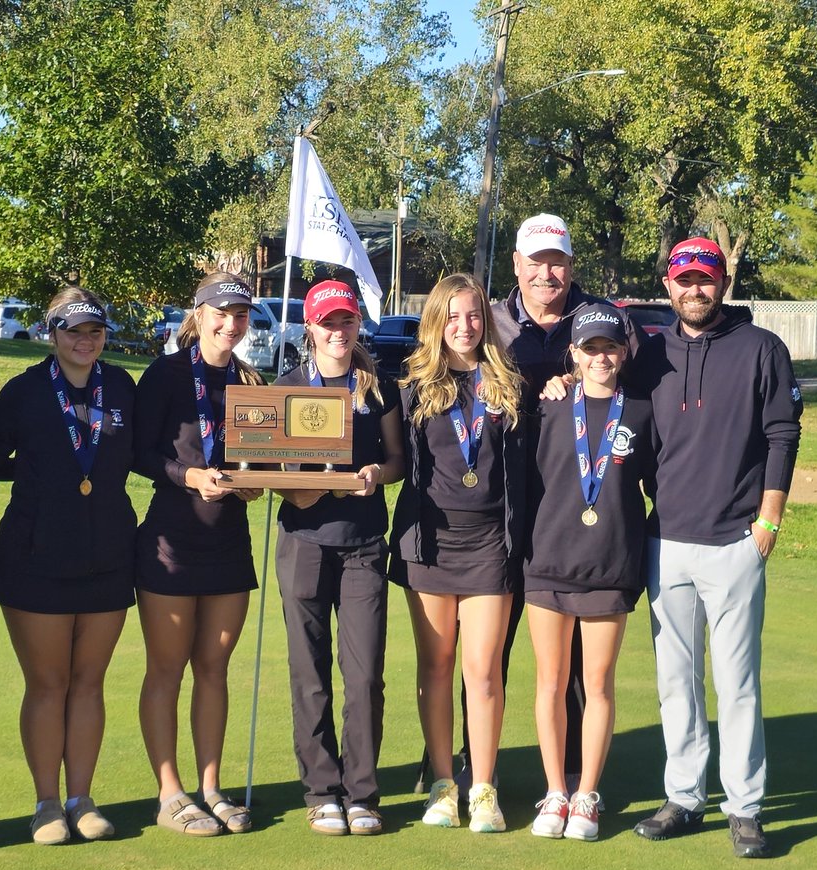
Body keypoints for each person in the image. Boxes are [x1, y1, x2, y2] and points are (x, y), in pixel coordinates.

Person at [631, 238, 802, 858]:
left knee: (737, 684)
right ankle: (683, 796)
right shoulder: (648, 354)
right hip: (666, 540)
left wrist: (769, 523)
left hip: (736, 540)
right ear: (668, 284)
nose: (694, 290)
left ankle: (746, 807)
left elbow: (783, 435)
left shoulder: (763, 349)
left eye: (705, 279)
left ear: (723, 282)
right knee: (677, 681)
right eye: (684, 280)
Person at [489, 213, 639, 796]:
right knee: (490, 649)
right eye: (536, 261)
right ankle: (472, 765)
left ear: (570, 265)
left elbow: (634, 401)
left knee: (578, 664)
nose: (547, 272)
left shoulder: (601, 321)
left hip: (575, 512)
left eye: (557, 261)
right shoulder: (494, 324)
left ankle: (577, 777)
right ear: (518, 266)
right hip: (501, 508)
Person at [0, 287, 137, 845]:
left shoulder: (121, 385)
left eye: (95, 331)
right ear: (52, 335)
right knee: (48, 684)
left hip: (108, 551)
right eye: (73, 331)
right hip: (35, 555)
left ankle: (82, 798)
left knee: (89, 683)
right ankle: (46, 804)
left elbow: (148, 451)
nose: (85, 341)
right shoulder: (25, 391)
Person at [389, 272, 524, 833]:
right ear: (436, 323)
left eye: (473, 316)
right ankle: (444, 785)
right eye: (453, 316)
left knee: (484, 670)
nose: (464, 326)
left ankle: (484, 787)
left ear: (485, 321)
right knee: (436, 666)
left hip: (491, 545)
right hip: (430, 546)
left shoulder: (508, 383)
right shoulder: (414, 388)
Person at [132, 272, 266, 837]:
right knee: (167, 669)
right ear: (199, 312)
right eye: (222, 312)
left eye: (240, 315)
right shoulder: (165, 374)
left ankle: (211, 786)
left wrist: (256, 481)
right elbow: (137, 452)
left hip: (229, 543)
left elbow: (261, 460)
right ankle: (170, 792)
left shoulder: (251, 381)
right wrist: (188, 474)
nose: (230, 323)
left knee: (214, 669)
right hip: (171, 543)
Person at [273, 280, 405, 836]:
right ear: (311, 328)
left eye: (346, 321)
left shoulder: (380, 390)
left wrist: (378, 474)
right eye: (327, 323)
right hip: (303, 542)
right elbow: (266, 467)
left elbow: (398, 460)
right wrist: (291, 489)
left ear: (357, 326)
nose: (337, 332)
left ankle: (362, 793)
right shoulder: (286, 388)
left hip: (363, 546)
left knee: (365, 675)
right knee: (310, 675)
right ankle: (321, 790)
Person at [524, 305, 657, 842]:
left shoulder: (644, 412)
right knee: (551, 683)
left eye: (610, 347)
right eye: (590, 348)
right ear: (573, 354)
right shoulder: (548, 407)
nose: (601, 357)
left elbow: (661, 486)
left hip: (610, 566)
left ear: (623, 352)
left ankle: (587, 796)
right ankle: (556, 790)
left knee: (597, 684)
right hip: (547, 564)